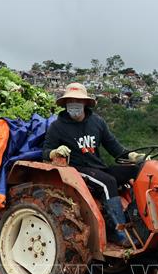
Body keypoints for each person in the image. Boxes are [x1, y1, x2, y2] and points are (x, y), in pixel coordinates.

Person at [43, 83, 147, 247]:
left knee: (138, 171)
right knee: (108, 182)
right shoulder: (58, 126)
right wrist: (55, 152)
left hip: (98, 167)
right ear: (65, 103)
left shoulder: (97, 122)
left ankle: (141, 222)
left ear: (85, 103)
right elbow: (46, 151)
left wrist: (133, 156)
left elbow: (115, 148)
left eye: (77, 100)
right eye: (70, 100)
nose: (74, 104)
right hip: (77, 170)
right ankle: (119, 232)